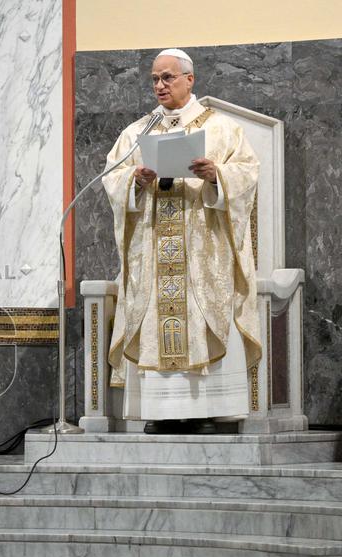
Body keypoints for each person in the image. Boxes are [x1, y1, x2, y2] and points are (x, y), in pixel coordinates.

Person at [102, 49, 261, 434]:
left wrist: (215, 175)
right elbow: (111, 177)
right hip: (154, 251)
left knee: (199, 320)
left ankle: (206, 410)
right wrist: (134, 181)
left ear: (190, 80)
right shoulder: (137, 132)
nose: (160, 85)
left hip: (202, 253)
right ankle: (161, 411)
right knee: (157, 322)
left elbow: (247, 175)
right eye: (155, 78)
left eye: (168, 77)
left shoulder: (223, 129)